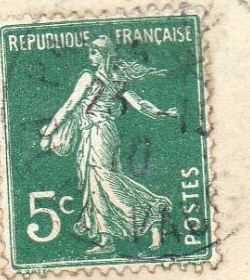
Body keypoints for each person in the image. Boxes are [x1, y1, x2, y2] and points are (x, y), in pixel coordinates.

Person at [36, 35, 175, 256]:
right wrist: (161, 112)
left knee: (104, 181)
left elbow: (70, 105)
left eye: (93, 52)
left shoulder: (88, 77)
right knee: (99, 183)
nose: (90, 56)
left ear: (102, 54)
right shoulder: (117, 78)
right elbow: (139, 104)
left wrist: (49, 132)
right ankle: (107, 239)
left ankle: (152, 207)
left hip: (96, 133)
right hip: (108, 132)